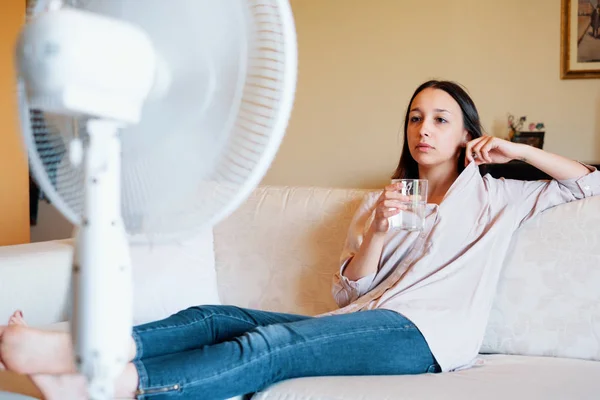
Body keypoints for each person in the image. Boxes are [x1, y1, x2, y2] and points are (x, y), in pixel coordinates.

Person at [1, 80, 598, 400]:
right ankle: (87, 351)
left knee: (273, 345)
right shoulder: (382, 199)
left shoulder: (500, 196)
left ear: (468, 130)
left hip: (426, 338)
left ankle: (108, 382)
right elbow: (348, 294)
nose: (424, 128)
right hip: (375, 317)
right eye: (415, 117)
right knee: (217, 315)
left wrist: (516, 151)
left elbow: (586, 185)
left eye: (441, 118)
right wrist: (378, 229)